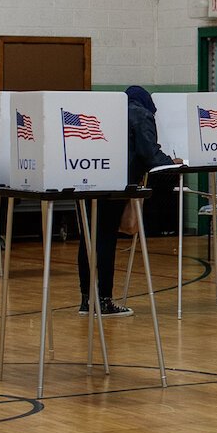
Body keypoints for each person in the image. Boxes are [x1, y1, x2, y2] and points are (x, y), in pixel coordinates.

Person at [78, 85, 177, 316]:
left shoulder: (109, 111)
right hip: (114, 184)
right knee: (105, 238)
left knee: (88, 239)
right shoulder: (140, 114)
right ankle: (103, 301)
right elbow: (150, 155)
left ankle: (86, 299)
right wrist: (173, 162)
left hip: (86, 178)